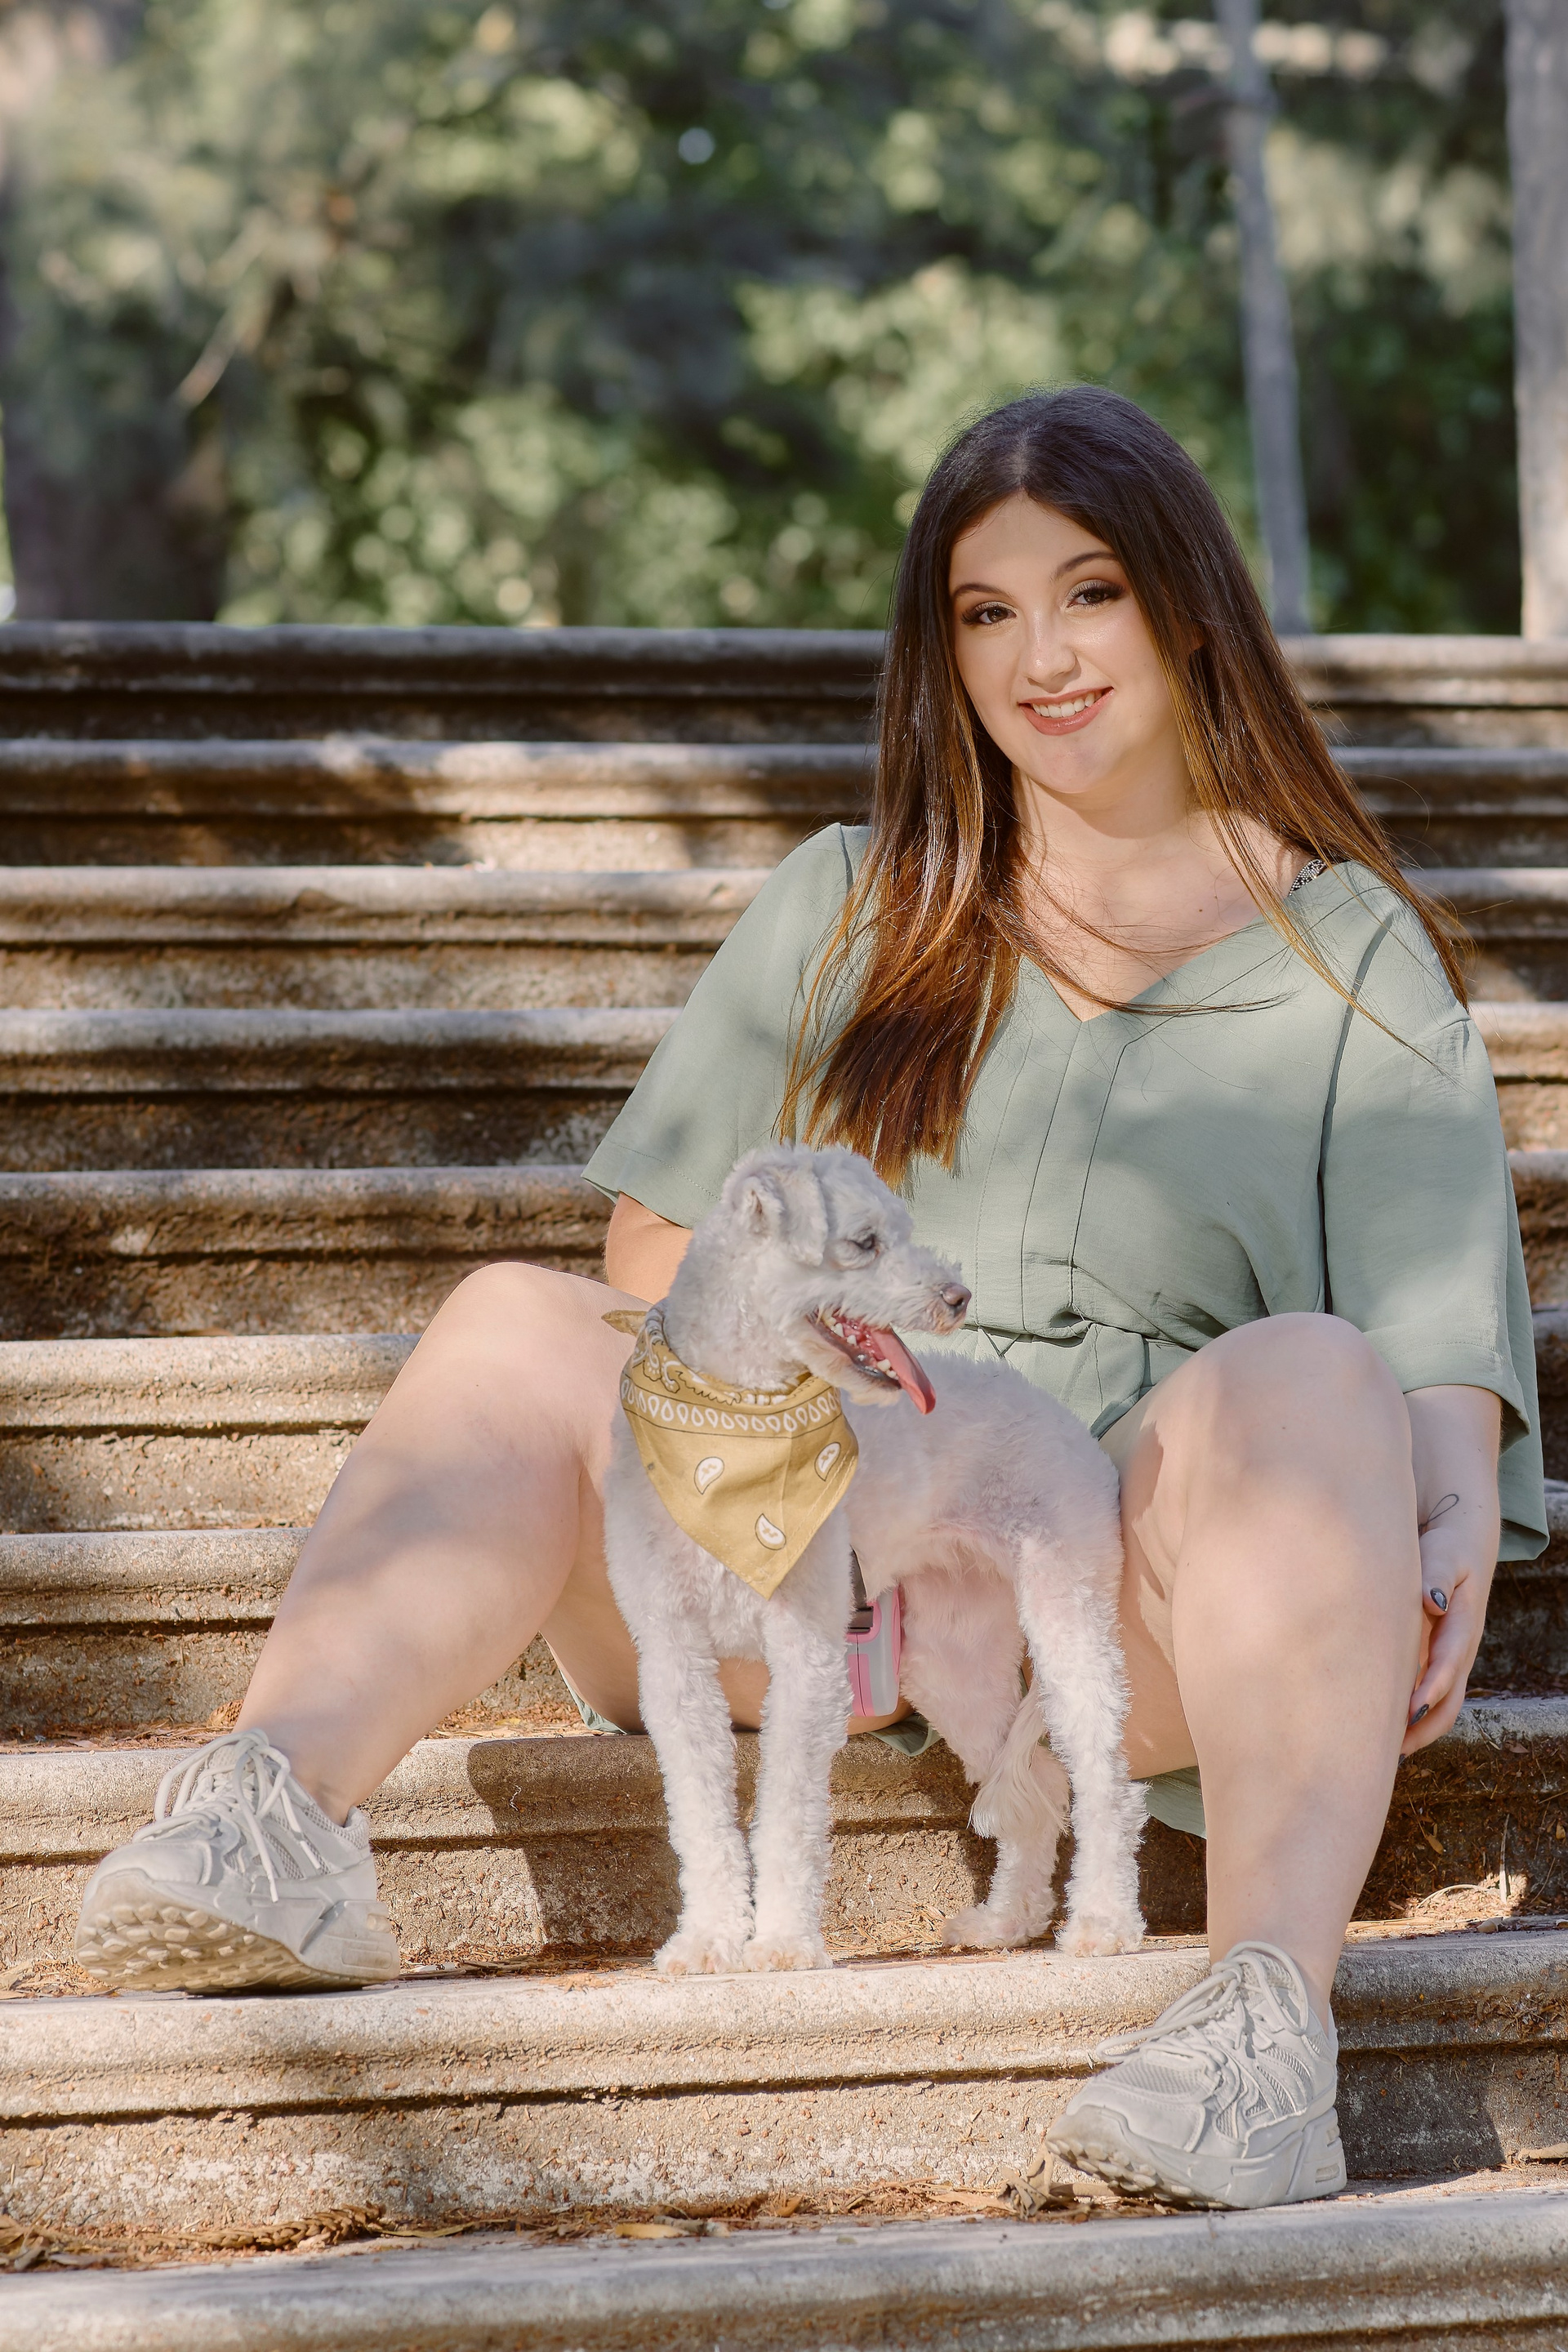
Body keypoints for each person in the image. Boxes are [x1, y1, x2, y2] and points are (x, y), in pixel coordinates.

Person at [73, 386, 1542, 2212]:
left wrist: (1448, 1511)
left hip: (1097, 1586)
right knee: (518, 1319)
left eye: (1088, 593)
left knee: (1312, 1366)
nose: (1041, 658)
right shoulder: (850, 905)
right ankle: (268, 1821)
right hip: (776, 1557)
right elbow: (655, 1272)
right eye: (986, 612)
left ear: (1188, 608)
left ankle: (1258, 2036)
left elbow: (1424, 1353)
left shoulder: (1352, 958)